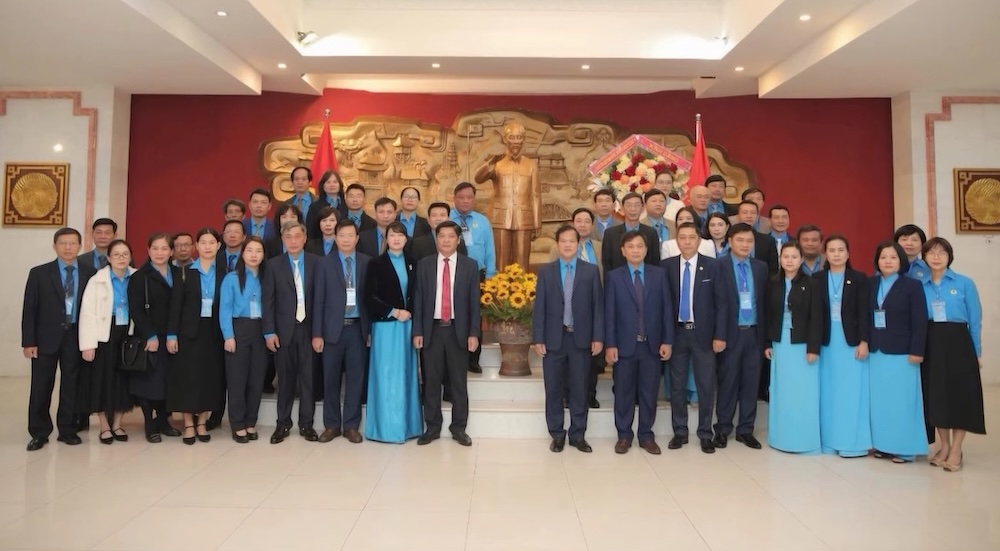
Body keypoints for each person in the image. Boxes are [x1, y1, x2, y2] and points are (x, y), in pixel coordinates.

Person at [22, 228, 97, 450]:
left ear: (80, 246)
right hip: (45, 338)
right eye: (63, 243)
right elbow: (30, 309)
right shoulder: (39, 273)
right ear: (54, 246)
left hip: (75, 336)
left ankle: (67, 429)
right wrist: (28, 341)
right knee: (41, 385)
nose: (68, 247)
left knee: (71, 384)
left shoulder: (89, 272)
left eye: (72, 243)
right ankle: (39, 431)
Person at [532, 225, 603, 453]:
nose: (568, 245)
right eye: (563, 241)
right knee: (553, 389)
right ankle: (557, 434)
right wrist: (538, 338)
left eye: (572, 241)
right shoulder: (546, 271)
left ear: (578, 243)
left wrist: (598, 337)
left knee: (579, 388)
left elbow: (597, 308)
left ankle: (577, 434)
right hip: (554, 339)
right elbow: (539, 307)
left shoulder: (591, 271)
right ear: (557, 244)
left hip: (580, 339)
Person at [604, 231, 674, 455]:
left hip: (651, 345)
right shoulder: (614, 277)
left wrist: (668, 341)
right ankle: (624, 435)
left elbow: (666, 310)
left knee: (649, 392)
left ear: (646, 250)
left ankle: (646, 435)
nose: (636, 250)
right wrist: (610, 344)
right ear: (623, 251)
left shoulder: (659, 275)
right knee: (623, 393)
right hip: (624, 346)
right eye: (631, 246)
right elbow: (610, 313)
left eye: (640, 246)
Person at [412, 221, 480, 447]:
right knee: (431, 382)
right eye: (442, 236)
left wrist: (473, 333)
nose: (446, 240)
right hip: (431, 330)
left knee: (458, 383)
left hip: (457, 331)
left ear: (458, 240)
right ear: (436, 239)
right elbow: (419, 299)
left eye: (451, 236)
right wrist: (418, 330)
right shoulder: (425, 265)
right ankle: (432, 427)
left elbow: (474, 304)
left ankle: (459, 428)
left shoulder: (470, 266)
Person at [920, 237, 984, 472]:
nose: (936, 257)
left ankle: (956, 449)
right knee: (936, 395)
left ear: (949, 256)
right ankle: (943, 446)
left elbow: (975, 320)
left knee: (959, 396)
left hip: (958, 342)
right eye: (931, 253)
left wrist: (976, 351)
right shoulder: (921, 286)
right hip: (931, 341)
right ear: (924, 257)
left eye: (942, 253)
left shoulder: (964, 283)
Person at [662, 223, 726, 453]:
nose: (687, 241)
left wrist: (720, 335)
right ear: (676, 240)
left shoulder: (713, 267)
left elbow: (722, 304)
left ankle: (705, 433)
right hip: (676, 334)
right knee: (677, 385)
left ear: (699, 240)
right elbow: (663, 305)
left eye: (691, 237)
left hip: (705, 335)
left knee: (706, 386)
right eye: (682, 237)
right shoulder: (666, 266)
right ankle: (680, 432)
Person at [867, 241, 928, 463]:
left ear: (900, 261)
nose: (888, 261)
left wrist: (917, 350)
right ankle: (883, 445)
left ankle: (905, 448)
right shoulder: (871, 283)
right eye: (883, 257)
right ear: (877, 260)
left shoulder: (912, 286)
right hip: (876, 351)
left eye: (893, 257)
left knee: (902, 402)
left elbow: (919, 321)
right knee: (880, 402)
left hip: (903, 353)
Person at [312, 219, 371, 444]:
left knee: (356, 379)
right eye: (342, 235)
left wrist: (370, 330)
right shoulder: (323, 264)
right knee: (330, 380)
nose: (346, 239)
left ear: (357, 238)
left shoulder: (367, 263)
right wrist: (317, 334)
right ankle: (332, 425)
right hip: (331, 331)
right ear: (335, 238)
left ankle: (351, 426)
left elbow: (370, 300)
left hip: (358, 329)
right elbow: (317, 301)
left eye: (350, 235)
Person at [363, 222, 423, 443]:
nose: (396, 239)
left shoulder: (413, 263)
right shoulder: (376, 264)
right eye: (392, 235)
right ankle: (385, 429)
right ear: (385, 239)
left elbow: (418, 295)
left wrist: (410, 315)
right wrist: (393, 311)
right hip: (386, 327)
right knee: (386, 376)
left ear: (406, 239)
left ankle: (408, 427)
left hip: (407, 327)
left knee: (406, 375)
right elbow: (369, 297)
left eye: (400, 235)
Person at [167, 228, 226, 444]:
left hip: (214, 330)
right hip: (189, 331)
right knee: (188, 377)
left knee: (209, 377)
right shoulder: (185, 273)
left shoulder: (225, 272)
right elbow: (176, 306)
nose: (208, 246)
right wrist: (171, 334)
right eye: (203, 242)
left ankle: (202, 421)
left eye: (212, 242)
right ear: (196, 247)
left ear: (218, 246)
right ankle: (188, 424)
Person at [763, 241, 823, 453]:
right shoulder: (773, 282)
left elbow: (817, 318)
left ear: (801, 260)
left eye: (794, 257)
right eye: (785, 256)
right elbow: (768, 316)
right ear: (780, 259)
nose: (789, 260)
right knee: (782, 392)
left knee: (803, 394)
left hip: (802, 345)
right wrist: (767, 343)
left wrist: (813, 348)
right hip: (780, 345)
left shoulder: (812, 283)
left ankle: (804, 439)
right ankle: (781, 438)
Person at [713, 223, 768, 450]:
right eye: (740, 240)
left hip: (754, 333)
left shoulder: (761, 267)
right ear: (730, 241)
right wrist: (718, 335)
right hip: (730, 333)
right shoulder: (718, 266)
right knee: (728, 383)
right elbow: (715, 304)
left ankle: (746, 430)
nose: (745, 245)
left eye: (749, 241)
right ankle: (723, 429)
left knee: (751, 384)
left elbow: (765, 303)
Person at [816, 235, 872, 458]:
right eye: (831, 250)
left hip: (851, 344)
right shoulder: (817, 278)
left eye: (841, 250)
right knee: (829, 394)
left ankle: (852, 443)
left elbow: (864, 313)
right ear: (825, 254)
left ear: (848, 254)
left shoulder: (859, 279)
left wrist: (864, 341)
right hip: (827, 344)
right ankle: (829, 441)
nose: (836, 254)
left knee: (851, 394)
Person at [263, 221, 319, 444]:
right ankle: (282, 423)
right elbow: (268, 301)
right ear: (283, 240)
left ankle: (307, 424)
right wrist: (269, 331)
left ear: (305, 238)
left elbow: (322, 300)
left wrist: (319, 332)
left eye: (298, 236)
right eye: (289, 237)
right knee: (285, 380)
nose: (294, 241)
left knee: (308, 379)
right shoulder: (273, 265)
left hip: (309, 329)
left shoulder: (317, 264)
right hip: (283, 330)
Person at [79, 239, 136, 445]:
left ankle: (118, 423)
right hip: (104, 334)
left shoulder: (136, 277)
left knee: (123, 380)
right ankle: (104, 425)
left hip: (128, 333)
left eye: (125, 254)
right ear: (109, 258)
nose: (121, 258)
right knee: (101, 380)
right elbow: (87, 313)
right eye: (116, 255)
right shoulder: (98, 280)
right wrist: (88, 344)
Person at [128, 233, 183, 443]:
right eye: (155, 249)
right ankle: (149, 423)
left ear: (171, 252)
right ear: (149, 251)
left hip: (173, 336)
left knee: (168, 382)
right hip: (151, 337)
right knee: (149, 382)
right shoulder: (139, 277)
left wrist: (174, 334)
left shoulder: (179, 274)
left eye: (164, 249)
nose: (160, 253)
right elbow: (136, 310)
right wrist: (150, 335)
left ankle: (163, 420)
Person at [219, 237, 269, 443]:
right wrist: (228, 335)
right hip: (239, 329)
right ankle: (237, 423)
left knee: (256, 379)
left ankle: (251, 421)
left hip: (262, 329)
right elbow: (225, 309)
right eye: (249, 250)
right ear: (242, 253)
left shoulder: (268, 277)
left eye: (258, 251)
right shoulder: (232, 278)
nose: (254, 254)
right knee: (237, 379)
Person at [474, 121, 541, 270]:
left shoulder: (531, 165)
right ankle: (498, 292)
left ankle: (522, 291)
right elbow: (478, 179)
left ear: (523, 140)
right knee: (500, 259)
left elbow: (535, 194)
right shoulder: (496, 163)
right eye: (512, 137)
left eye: (519, 138)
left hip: (524, 219)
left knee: (522, 260)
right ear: (505, 139)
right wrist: (489, 163)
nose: (516, 142)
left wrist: (537, 222)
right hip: (499, 218)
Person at [450, 181, 495, 373]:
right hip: (452, 271)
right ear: (454, 198)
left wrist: (491, 275)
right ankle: (455, 356)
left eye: (469, 197)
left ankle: (473, 359)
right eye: (461, 197)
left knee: (474, 315)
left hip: (478, 274)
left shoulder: (482, 221)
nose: (466, 201)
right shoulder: (448, 218)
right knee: (454, 314)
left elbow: (490, 249)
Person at [601, 192, 659, 272]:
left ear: (643, 208)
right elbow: (607, 263)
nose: (633, 209)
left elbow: (655, 261)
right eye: (629, 205)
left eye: (637, 205)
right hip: (617, 281)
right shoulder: (610, 234)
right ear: (622, 208)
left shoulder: (651, 233)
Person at [733, 200, 778, 273]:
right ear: (738, 216)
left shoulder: (768, 241)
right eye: (745, 212)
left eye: (753, 213)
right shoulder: (729, 238)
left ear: (757, 216)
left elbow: (773, 272)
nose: (749, 216)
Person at [306, 170, 348, 239]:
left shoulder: (346, 205)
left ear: (340, 185)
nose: (332, 185)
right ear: (323, 185)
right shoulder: (315, 206)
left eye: (335, 182)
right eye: (328, 182)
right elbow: (310, 230)